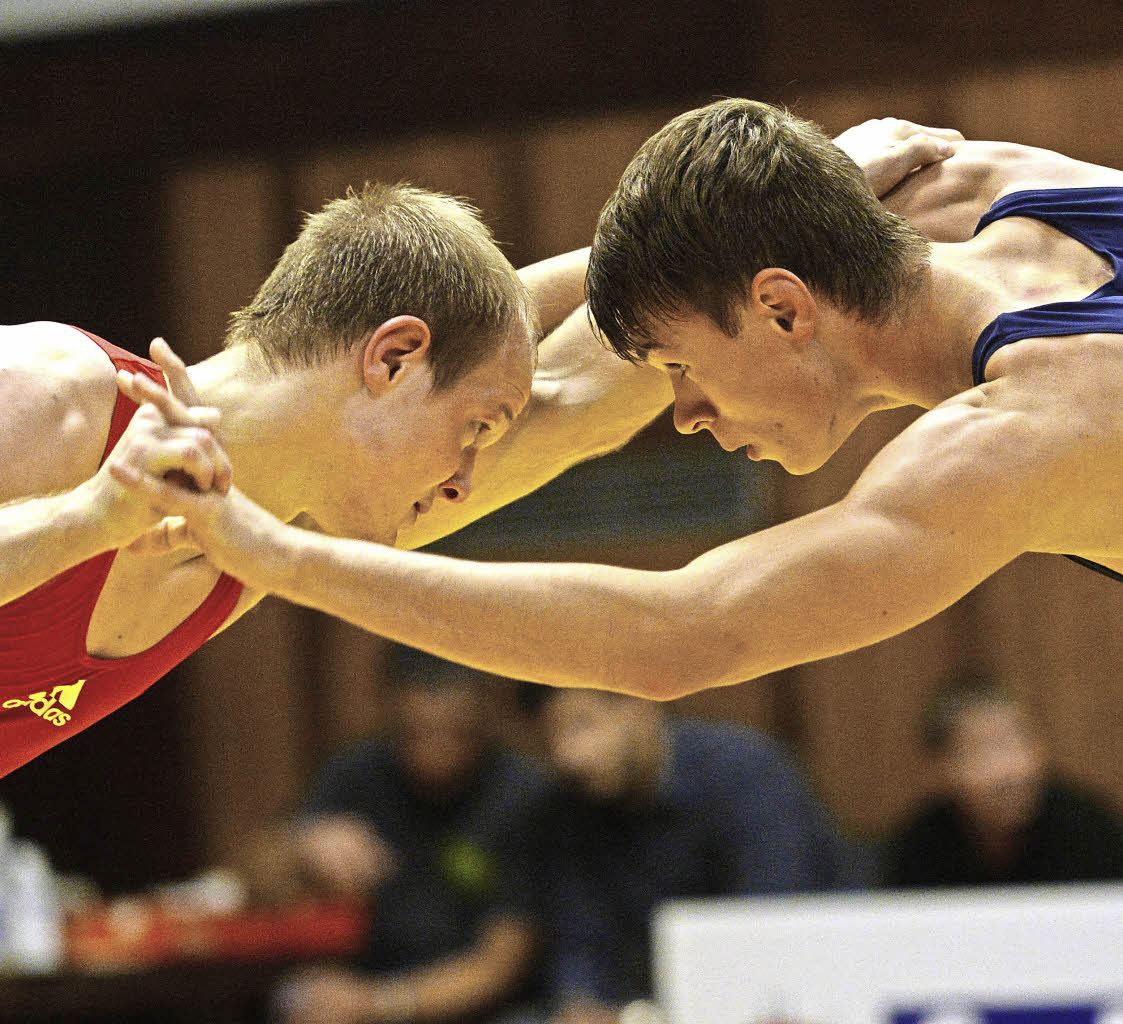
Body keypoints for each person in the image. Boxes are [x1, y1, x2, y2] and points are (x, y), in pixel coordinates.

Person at [0, 116, 958, 776]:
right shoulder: (56, 393)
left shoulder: (247, 548)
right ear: (393, 360)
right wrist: (90, 519)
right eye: (475, 429)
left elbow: (581, 396)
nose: (465, 485)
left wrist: (780, 220)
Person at [113, 99, 1121, 702]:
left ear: (781, 309)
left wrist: (282, 556)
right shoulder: (952, 191)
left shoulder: (1038, 426)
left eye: (679, 368)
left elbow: (683, 634)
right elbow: (557, 381)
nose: (682, 417)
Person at [517, 685, 868, 1024]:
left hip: (803, 995)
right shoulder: (566, 805)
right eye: (549, 741)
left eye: (582, 724)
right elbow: (578, 940)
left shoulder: (746, 773)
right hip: (653, 1007)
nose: (568, 756)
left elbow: (772, 920)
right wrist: (583, 1005)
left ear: (641, 706)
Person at [269, 646, 545, 1024]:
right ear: (391, 712)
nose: (436, 751)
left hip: (490, 1011)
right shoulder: (359, 771)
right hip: (361, 982)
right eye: (416, 732)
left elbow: (500, 966)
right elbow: (248, 875)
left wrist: (375, 1004)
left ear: (486, 715)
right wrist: (301, 843)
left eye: (455, 732)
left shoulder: (522, 795)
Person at [881, 675, 1123, 888]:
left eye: (1018, 743)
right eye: (982, 752)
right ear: (940, 769)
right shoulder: (918, 850)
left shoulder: (1090, 831)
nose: (1010, 771)